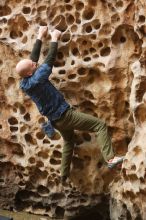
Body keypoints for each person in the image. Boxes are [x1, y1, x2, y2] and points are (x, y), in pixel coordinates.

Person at [16, 26, 124, 184]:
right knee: (99, 125)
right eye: (33, 66)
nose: (35, 63)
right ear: (31, 72)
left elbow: (31, 61)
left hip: (55, 121)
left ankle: (63, 175)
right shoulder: (38, 78)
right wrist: (54, 38)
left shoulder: (24, 83)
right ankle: (110, 158)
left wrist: (40, 35)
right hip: (66, 116)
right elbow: (49, 60)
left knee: (68, 141)